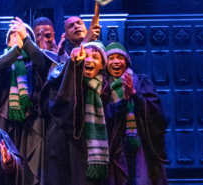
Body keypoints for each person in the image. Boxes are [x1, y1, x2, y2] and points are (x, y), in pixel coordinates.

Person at [0, 18, 52, 185]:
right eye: (13, 34)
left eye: (22, 34)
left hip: (30, 124)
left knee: (28, 168)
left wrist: (26, 41)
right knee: (3, 166)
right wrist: (17, 49)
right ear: (7, 41)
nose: (17, 35)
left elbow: (42, 63)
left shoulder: (35, 62)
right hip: (3, 122)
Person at [42, 42, 111, 185]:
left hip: (88, 151)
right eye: (86, 56)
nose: (89, 60)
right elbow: (58, 108)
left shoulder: (103, 88)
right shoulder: (63, 77)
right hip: (62, 146)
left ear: (102, 65)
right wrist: (73, 66)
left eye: (95, 57)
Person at [103, 42, 168, 185]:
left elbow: (156, 112)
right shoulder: (103, 87)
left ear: (126, 61)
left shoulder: (141, 81)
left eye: (120, 58)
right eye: (111, 58)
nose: (116, 61)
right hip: (116, 146)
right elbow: (104, 115)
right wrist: (123, 102)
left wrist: (135, 95)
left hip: (141, 143)